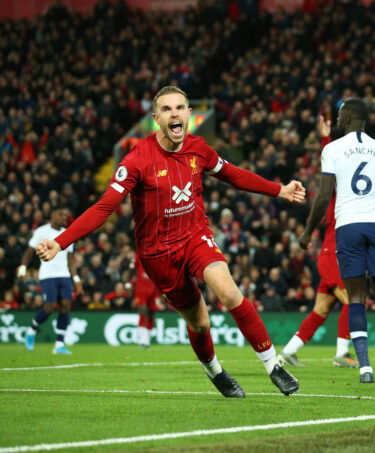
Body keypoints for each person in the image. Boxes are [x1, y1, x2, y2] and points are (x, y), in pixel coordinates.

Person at [36, 86, 305, 398]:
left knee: (230, 292)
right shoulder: (137, 160)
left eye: (180, 107)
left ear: (190, 114)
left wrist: (279, 190)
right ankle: (215, 372)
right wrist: (61, 241)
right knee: (200, 323)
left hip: (194, 234)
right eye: (167, 109)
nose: (175, 113)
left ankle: (273, 365)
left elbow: (232, 173)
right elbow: (104, 207)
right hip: (157, 253)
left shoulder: (199, 148)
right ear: (156, 119)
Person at [298, 99, 375, 384]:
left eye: (339, 116)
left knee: (356, 298)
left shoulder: (333, 149)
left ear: (348, 118)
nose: (337, 120)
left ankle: (365, 368)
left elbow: (324, 196)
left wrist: (308, 230)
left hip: (348, 226)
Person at [279, 115, 358, 369]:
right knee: (352, 300)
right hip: (333, 255)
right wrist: (326, 137)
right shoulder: (337, 193)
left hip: (330, 255)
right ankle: (342, 354)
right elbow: (330, 163)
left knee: (321, 310)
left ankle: (288, 352)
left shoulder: (348, 197)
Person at [18, 207, 83, 354]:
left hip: (64, 274)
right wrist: (22, 268)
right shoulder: (41, 231)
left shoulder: (68, 233)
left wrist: (77, 279)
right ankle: (32, 328)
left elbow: (71, 259)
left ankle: (59, 345)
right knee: (50, 306)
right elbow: (29, 251)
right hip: (48, 274)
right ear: (52, 215)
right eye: (61, 214)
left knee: (66, 305)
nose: (64, 217)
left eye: (66, 215)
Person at [133, 255, 161, 349]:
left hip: (153, 290)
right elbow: (133, 267)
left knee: (151, 314)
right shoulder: (139, 256)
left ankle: (147, 339)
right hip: (141, 290)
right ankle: (142, 340)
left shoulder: (157, 258)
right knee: (143, 311)